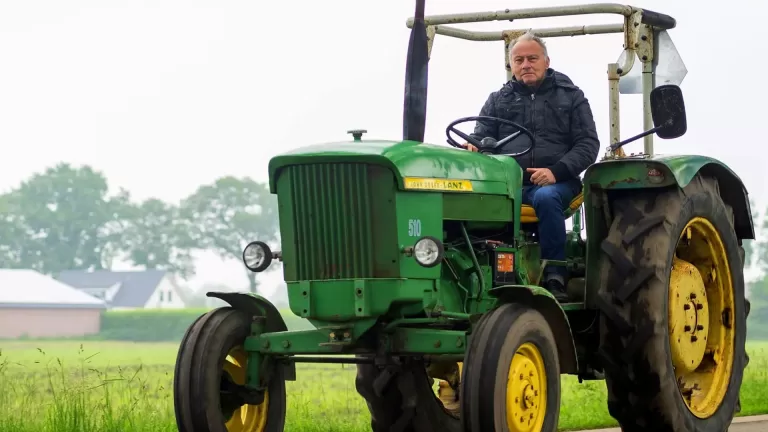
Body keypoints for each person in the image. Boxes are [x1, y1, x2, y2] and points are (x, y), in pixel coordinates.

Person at [462, 30, 600, 302]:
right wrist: (475, 145)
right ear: (511, 65)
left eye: (532, 58)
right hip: (510, 183)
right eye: (519, 60)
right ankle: (486, 272)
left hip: (559, 182)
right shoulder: (497, 100)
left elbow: (587, 144)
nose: (525, 65)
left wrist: (555, 171)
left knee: (547, 198)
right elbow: (481, 134)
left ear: (546, 62)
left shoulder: (571, 97)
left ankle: (555, 276)